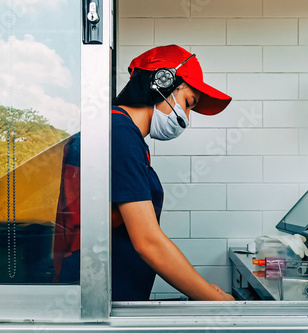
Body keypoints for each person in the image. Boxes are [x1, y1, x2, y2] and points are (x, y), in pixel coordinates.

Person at [53, 45, 234, 302]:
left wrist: (204, 287)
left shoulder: (121, 132)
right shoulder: (118, 133)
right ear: (162, 82)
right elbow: (147, 241)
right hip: (101, 298)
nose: (187, 118)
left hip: (111, 294)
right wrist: (216, 301)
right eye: (188, 103)